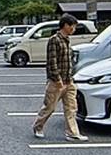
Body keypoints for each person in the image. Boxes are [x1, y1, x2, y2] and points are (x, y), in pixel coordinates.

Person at [33, 13, 88, 141]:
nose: (73, 30)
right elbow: (52, 62)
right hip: (56, 81)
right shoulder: (54, 40)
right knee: (49, 107)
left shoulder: (67, 40)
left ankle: (72, 133)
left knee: (71, 108)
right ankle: (38, 126)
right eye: (72, 27)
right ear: (65, 25)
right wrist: (57, 79)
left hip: (69, 80)